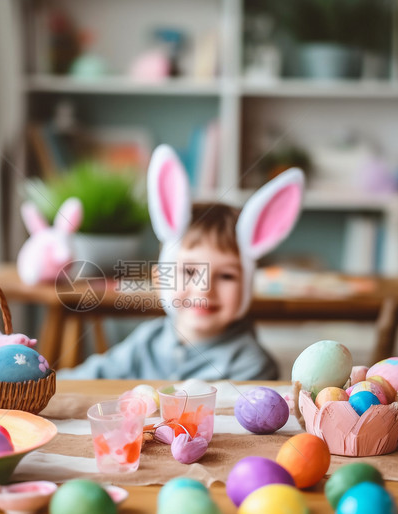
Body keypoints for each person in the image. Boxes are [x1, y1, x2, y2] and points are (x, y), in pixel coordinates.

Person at [58, 144, 304, 382]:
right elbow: (85, 379)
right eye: (188, 271)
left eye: (226, 276)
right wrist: (37, 380)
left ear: (247, 287)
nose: (204, 288)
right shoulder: (148, 339)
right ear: (160, 279)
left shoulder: (250, 366)